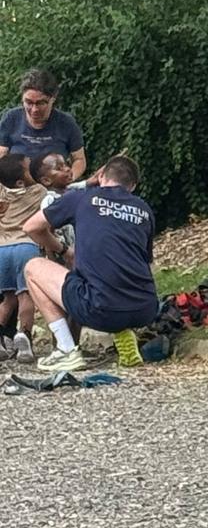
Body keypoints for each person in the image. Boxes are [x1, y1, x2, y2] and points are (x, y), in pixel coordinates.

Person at [20, 154, 157, 375]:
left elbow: (30, 227)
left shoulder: (81, 198)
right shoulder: (144, 210)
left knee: (33, 267)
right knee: (108, 274)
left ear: (101, 176)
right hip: (145, 309)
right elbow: (146, 261)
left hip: (101, 309)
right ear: (132, 186)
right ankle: (123, 332)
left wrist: (64, 250)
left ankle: (66, 350)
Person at [0, 155, 47, 362]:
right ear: (20, 182)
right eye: (30, 169)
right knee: (25, 296)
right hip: (26, 246)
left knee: (7, 299)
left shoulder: (1, 192)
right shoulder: (39, 191)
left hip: (2, 248)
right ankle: (24, 336)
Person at [0, 69, 87, 181]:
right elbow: (2, 154)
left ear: (53, 99)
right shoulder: (11, 118)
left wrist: (69, 178)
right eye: (29, 102)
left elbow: (79, 159)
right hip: (19, 185)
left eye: (41, 103)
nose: (34, 109)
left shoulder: (66, 123)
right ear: (22, 98)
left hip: (53, 186)